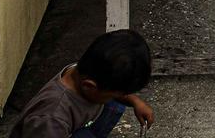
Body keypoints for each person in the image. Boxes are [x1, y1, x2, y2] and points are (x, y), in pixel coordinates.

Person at [9, 30, 154, 138]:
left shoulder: (87, 70)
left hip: (82, 125)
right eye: (114, 94)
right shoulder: (52, 117)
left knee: (116, 103)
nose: (124, 95)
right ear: (89, 86)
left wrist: (135, 101)